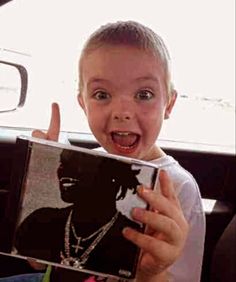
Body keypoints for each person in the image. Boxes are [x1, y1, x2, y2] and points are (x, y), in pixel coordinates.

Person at [32, 20, 205, 282]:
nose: (122, 113)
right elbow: (37, 261)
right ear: (83, 103)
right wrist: (39, 189)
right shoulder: (84, 166)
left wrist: (150, 273)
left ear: (168, 104)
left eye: (144, 94)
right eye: (102, 95)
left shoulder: (177, 188)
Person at [15, 148, 155, 280]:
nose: (64, 172)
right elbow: (36, 264)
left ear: (111, 178)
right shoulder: (41, 221)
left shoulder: (133, 239)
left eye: (80, 166)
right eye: (63, 163)